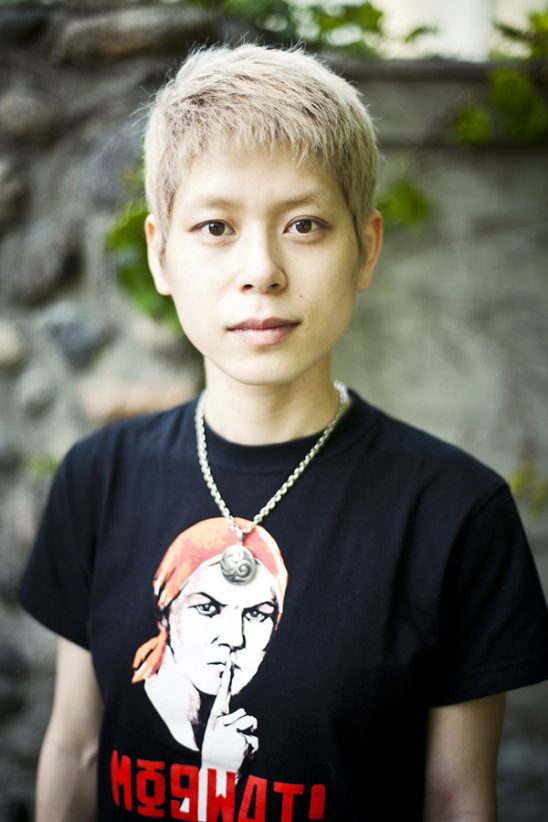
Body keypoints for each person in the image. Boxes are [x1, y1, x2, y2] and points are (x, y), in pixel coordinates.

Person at [18, 43, 548, 822]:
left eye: (304, 225)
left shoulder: (455, 514)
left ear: (365, 248)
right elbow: (75, 749)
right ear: (160, 254)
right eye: (216, 227)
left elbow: (455, 796)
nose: (261, 269)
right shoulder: (97, 479)